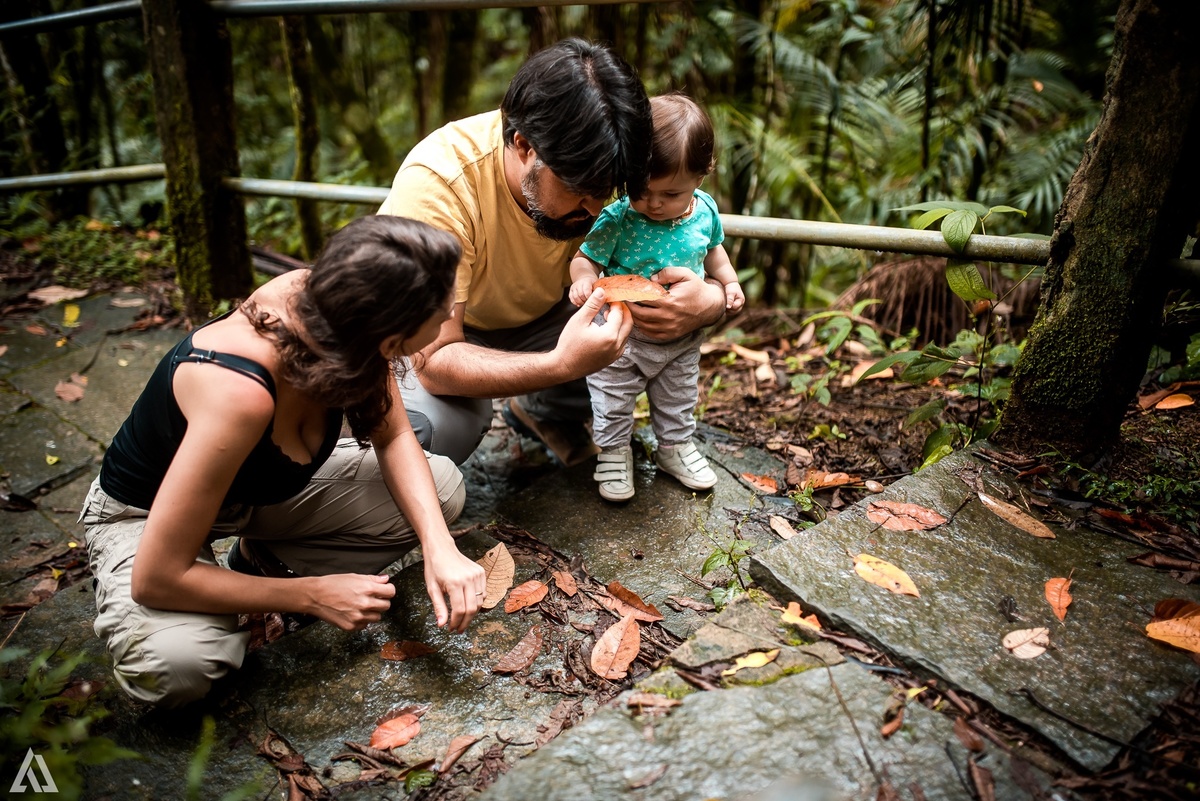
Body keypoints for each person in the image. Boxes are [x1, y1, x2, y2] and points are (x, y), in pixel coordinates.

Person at [79, 216, 487, 708]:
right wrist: (312, 595)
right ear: (386, 337)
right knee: (176, 667)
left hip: (250, 494)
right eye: (439, 317)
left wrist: (439, 547)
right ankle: (233, 601)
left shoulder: (343, 314)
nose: (448, 322)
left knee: (440, 490)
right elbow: (156, 578)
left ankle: (256, 568)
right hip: (143, 514)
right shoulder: (239, 392)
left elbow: (395, 434)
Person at [377, 38, 728, 467]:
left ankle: (544, 412)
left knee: (628, 341)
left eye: (610, 191)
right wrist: (560, 364)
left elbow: (685, 250)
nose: (595, 210)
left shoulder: (604, 162)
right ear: (525, 146)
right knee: (441, 429)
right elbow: (433, 359)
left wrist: (709, 302)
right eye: (580, 189)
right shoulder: (440, 185)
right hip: (444, 332)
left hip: (546, 315)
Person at [568, 94, 745, 501]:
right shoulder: (619, 217)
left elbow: (714, 250)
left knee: (678, 397)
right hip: (621, 335)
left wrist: (730, 283)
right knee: (612, 399)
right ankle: (614, 451)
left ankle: (674, 447)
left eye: (671, 193)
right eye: (642, 190)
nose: (654, 203)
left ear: (701, 177)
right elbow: (585, 258)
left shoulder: (705, 211)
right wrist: (583, 280)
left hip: (681, 336)